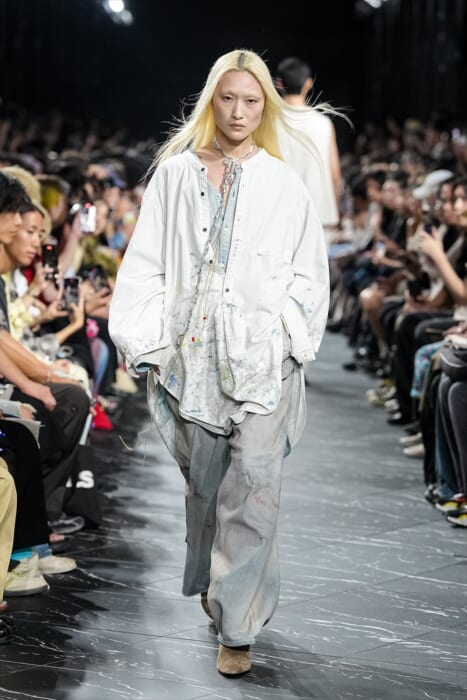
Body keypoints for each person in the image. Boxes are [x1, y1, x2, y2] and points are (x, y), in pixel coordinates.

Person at [109, 48, 329, 677]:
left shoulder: (283, 183)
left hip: (263, 358)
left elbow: (310, 271)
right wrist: (145, 341)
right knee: (205, 487)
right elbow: (146, 262)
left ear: (265, 106)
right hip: (192, 357)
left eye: (251, 101)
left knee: (255, 487)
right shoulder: (176, 175)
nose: (238, 112)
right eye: (227, 98)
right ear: (212, 100)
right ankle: (219, 583)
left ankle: (239, 625)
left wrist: (286, 336)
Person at [276, 55, 342, 230]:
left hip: (279, 214)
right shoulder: (323, 124)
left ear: (279, 84)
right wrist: (336, 209)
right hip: (319, 213)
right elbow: (335, 174)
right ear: (308, 83)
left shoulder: (268, 122)